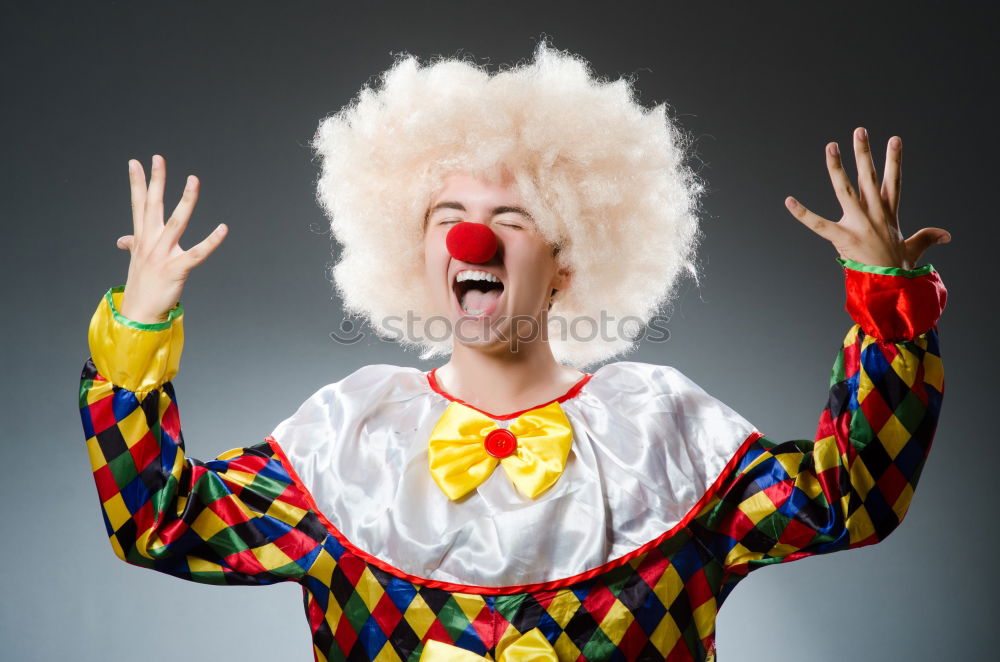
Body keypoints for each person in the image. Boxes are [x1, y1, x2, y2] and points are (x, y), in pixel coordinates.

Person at [79, 44, 949, 662]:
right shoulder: (347, 440)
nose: (472, 241)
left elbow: (853, 497)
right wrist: (139, 331)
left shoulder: (667, 435)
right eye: (445, 219)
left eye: (512, 220)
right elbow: (158, 519)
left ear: (567, 265)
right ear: (414, 257)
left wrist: (885, 302)